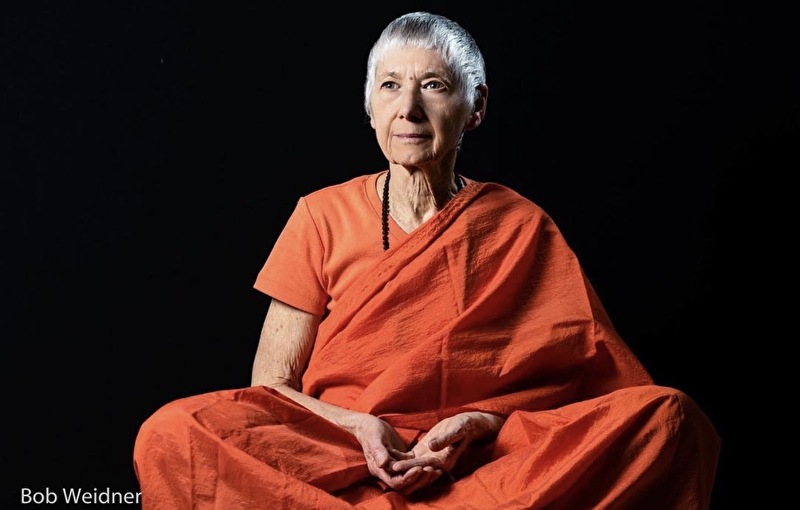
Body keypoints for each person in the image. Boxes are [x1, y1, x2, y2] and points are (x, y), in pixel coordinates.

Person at [133, 11, 721, 509]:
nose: (409, 108)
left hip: (486, 455)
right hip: (339, 446)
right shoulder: (320, 214)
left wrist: (478, 424)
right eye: (390, 86)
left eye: (434, 85)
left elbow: (583, 384)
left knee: (668, 419)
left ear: (476, 105)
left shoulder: (520, 225)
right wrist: (362, 427)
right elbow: (271, 386)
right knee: (172, 433)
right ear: (369, 106)